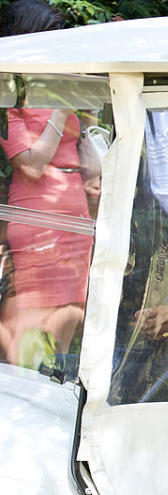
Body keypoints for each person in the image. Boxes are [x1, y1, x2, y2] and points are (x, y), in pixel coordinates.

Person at [0, 0, 90, 366]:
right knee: (29, 320)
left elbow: (82, 147)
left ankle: (62, 379)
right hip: (38, 215)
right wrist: (60, 109)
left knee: (70, 315)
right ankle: (21, 391)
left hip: (76, 210)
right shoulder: (9, 96)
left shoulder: (56, 85)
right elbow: (32, 164)